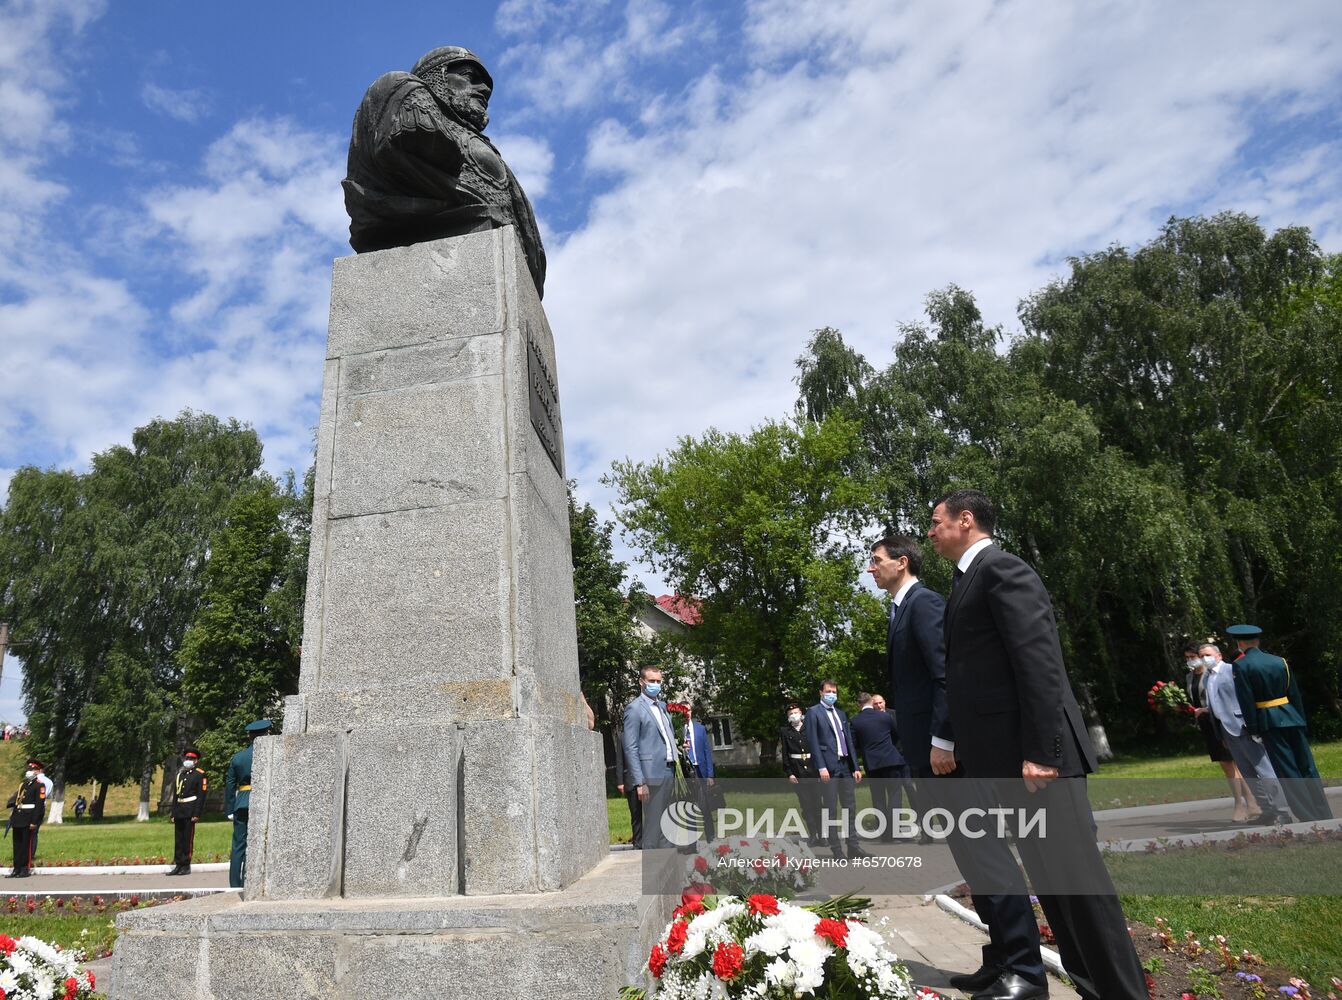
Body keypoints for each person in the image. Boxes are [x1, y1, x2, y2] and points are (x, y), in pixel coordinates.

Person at [929, 489, 1146, 1000]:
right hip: (1010, 766)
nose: (931, 532)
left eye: (937, 522)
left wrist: (1044, 753)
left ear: (966, 520)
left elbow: (1041, 666)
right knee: (1056, 892)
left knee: (1081, 892)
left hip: (1039, 764)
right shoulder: (967, 581)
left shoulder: (1002, 569)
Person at [869, 533, 1043, 994]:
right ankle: (1001, 958)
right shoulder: (900, 609)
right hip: (926, 758)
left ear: (901, 562)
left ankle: (1027, 970)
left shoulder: (924, 604)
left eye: (876, 560)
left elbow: (947, 675)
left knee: (988, 859)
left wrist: (944, 741)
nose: (871, 569)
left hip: (945, 758)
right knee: (972, 862)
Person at [343, 46, 547, 297]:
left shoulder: (485, 146)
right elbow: (416, 139)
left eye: (485, 86)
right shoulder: (400, 92)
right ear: (435, 78)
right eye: (470, 77)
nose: (483, 90)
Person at [1229, 624, 1333, 823]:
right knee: (1308, 768)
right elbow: (1294, 694)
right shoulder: (1280, 662)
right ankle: (1324, 813)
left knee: (1288, 771)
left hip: (1269, 722)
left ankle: (1308, 815)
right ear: (1258, 641)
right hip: (1291, 716)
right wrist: (1301, 720)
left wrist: (1253, 728)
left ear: (1240, 643)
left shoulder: (1241, 665)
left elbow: (1246, 700)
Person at [1200, 640, 1290, 823]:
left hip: (1243, 726)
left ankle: (1282, 811)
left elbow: (1247, 697)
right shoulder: (1208, 676)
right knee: (1248, 773)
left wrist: (1252, 725)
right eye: (1202, 656)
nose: (1204, 659)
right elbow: (1216, 703)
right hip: (1226, 730)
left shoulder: (1232, 670)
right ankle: (1266, 811)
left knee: (1264, 770)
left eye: (1208, 655)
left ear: (1219, 655)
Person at [1184, 643, 1256, 822]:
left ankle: (1243, 804)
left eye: (1193, 657)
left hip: (1221, 721)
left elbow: (1223, 699)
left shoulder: (1213, 674)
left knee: (1234, 764)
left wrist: (1205, 709)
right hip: (1207, 725)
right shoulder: (1190, 677)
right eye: (1187, 658)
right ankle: (1251, 802)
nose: (1190, 661)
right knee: (1227, 766)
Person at [803, 679, 866, 859]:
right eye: (829, 691)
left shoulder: (841, 713)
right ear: (821, 693)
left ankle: (853, 846)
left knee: (850, 807)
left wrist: (855, 766)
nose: (832, 694)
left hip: (845, 766)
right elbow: (813, 742)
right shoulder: (813, 713)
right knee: (830, 809)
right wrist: (821, 766)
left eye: (834, 692)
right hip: (828, 769)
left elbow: (848, 742)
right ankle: (837, 850)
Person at [621, 666, 680, 850]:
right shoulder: (635, 709)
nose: (656, 685)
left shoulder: (662, 707)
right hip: (651, 775)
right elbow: (630, 748)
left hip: (669, 771)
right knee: (654, 826)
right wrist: (639, 782)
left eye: (658, 681)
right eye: (651, 681)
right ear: (641, 682)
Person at [849, 692, 908, 841]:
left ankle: (884, 834)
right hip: (891, 760)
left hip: (872, 764)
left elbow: (854, 744)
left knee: (878, 798)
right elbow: (896, 735)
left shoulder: (855, 721)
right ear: (871, 702)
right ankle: (895, 831)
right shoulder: (885, 717)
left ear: (859, 704)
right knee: (895, 795)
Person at [225, 719, 272, 888]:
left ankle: (234, 883)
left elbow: (230, 784)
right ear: (266, 734)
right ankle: (252, 880)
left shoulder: (238, 757)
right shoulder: (269, 754)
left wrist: (230, 808)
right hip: (262, 800)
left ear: (250, 736)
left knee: (238, 844)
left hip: (242, 802)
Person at [779, 703, 824, 846]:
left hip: (813, 770)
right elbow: (785, 754)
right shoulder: (785, 732)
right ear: (787, 717)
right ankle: (813, 835)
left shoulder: (810, 727)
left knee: (818, 804)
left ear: (802, 714)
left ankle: (822, 835)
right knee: (806, 805)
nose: (794, 715)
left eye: (796, 712)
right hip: (798, 772)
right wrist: (789, 772)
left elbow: (818, 748)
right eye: (791, 713)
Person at [167, 748, 208, 876]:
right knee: (178, 839)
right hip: (179, 810)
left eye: (191, 759)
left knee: (187, 838)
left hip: (190, 811)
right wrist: (173, 813)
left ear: (196, 761)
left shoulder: (200, 775)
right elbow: (175, 795)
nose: (188, 761)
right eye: (187, 759)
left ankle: (186, 864)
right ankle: (178, 864)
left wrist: (197, 813)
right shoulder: (180, 775)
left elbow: (201, 796)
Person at [681, 703, 717, 842]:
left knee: (705, 806)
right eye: (683, 711)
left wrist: (710, 775)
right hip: (686, 774)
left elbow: (707, 752)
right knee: (689, 807)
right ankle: (691, 842)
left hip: (700, 772)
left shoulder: (700, 729)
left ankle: (710, 837)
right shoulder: (678, 730)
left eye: (688, 710)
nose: (686, 713)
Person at [5, 762, 46, 878]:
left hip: (29, 819)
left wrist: (34, 821)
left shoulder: (39, 786)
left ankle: (24, 869)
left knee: (25, 845)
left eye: (32, 769)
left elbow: (39, 805)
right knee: (17, 844)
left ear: (37, 771)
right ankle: (16, 868)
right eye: (28, 769)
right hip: (18, 818)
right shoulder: (23, 785)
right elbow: (17, 801)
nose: (29, 771)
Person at [612, 719, 643, 849]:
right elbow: (619, 760)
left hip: (645, 779)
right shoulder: (622, 737)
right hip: (630, 780)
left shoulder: (643, 734)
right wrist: (620, 781)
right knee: (635, 813)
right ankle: (638, 842)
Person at [25, 758, 52, 861]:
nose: (31, 771)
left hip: (36, 809)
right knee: (29, 833)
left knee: (32, 833)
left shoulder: (42, 782)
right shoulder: (46, 782)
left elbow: (41, 797)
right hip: (31, 809)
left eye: (33, 769)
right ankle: (27, 854)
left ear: (39, 770)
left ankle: (29, 855)